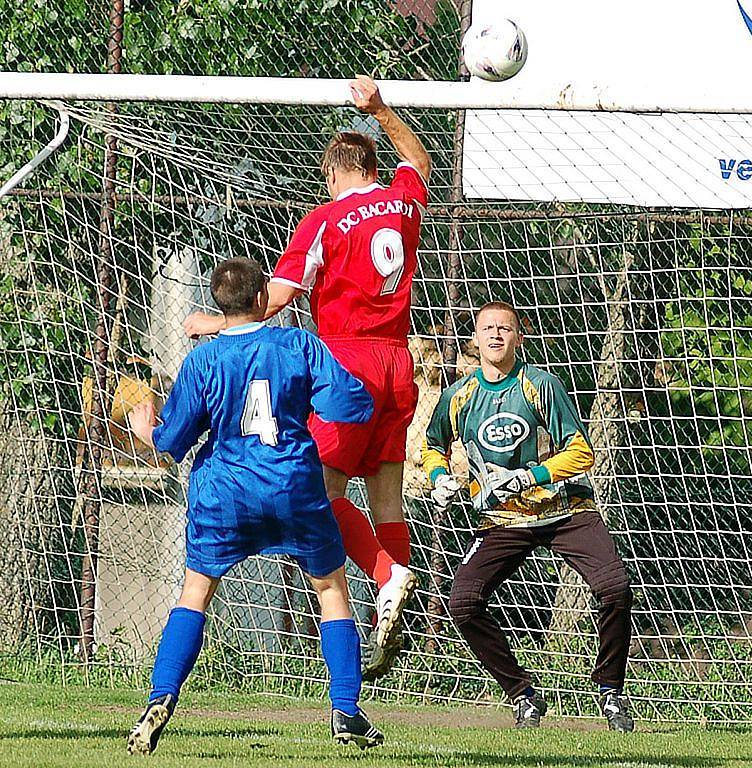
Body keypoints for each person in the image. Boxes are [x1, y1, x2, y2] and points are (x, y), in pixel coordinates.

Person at [183, 75, 431, 678]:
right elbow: (418, 159)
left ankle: (386, 573)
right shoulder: (402, 199)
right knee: (387, 495)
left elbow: (273, 300)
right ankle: (382, 619)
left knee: (321, 491)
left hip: (344, 361)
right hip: (400, 361)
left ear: (333, 170)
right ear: (376, 163)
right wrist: (381, 109)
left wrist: (214, 323)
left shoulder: (324, 219)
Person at [126, 258, 384, 755]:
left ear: (218, 306)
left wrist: (147, 429)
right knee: (331, 588)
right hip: (291, 483)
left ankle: (160, 698)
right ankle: (346, 710)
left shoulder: (201, 361)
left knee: (195, 592)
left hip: (224, 490)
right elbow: (348, 404)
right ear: (264, 297)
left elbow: (172, 439)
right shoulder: (298, 344)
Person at [422, 301, 635, 732]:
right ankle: (523, 694)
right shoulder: (458, 396)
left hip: (564, 509)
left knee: (615, 588)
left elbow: (581, 451)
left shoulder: (542, 385)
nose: (496, 335)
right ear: (475, 339)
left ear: (520, 338)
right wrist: (441, 477)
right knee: (463, 601)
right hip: (503, 520)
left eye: (505, 328)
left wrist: (528, 476)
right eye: (488, 329)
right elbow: (432, 445)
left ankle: (610, 691)